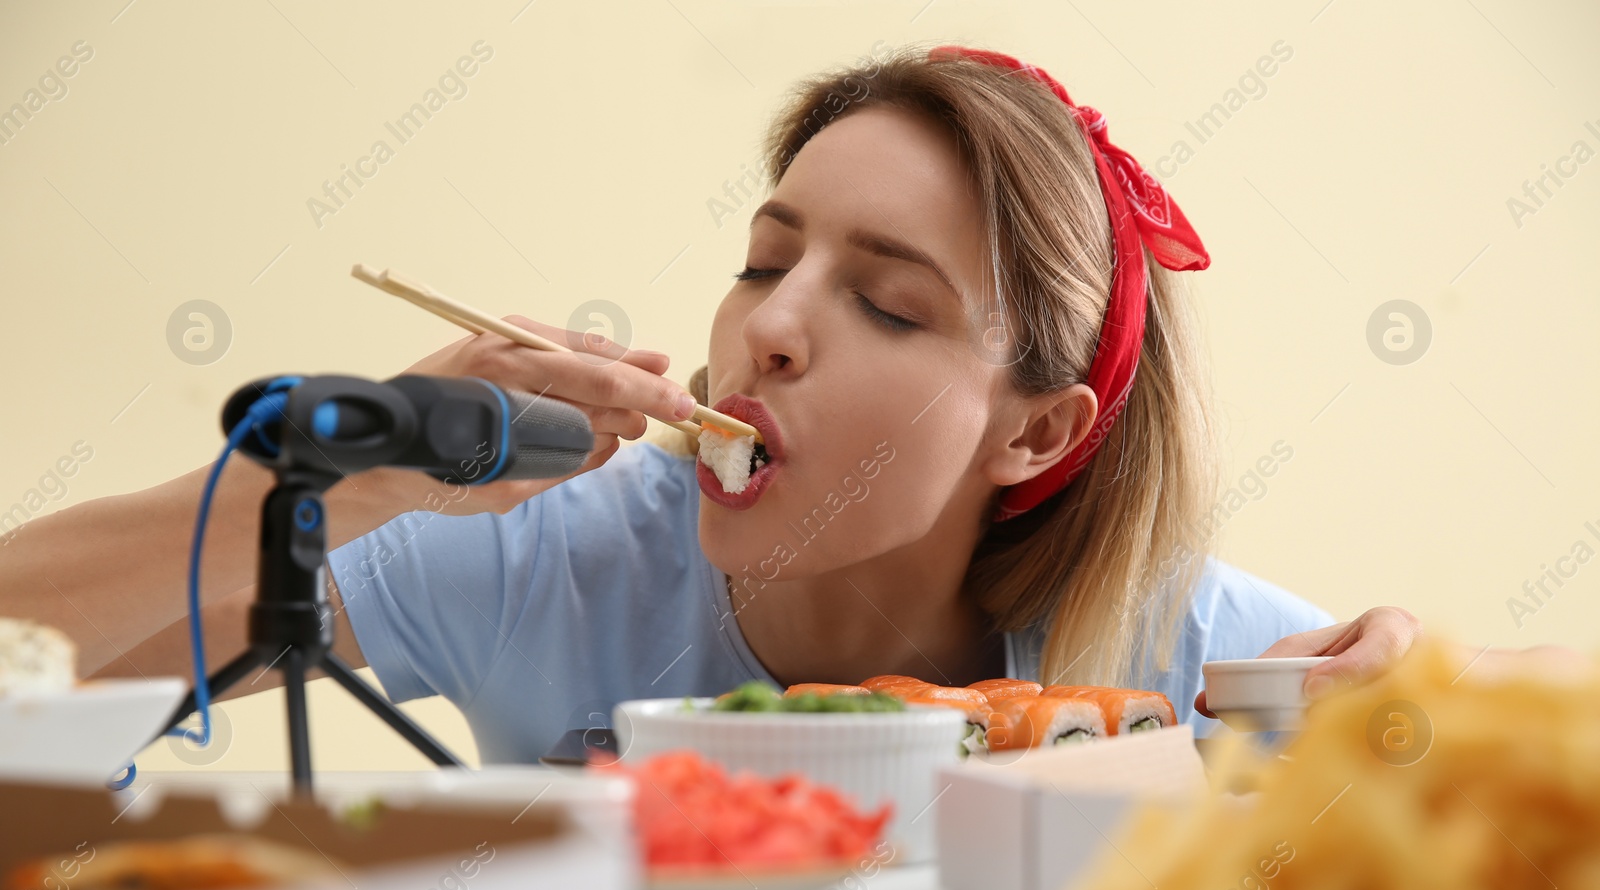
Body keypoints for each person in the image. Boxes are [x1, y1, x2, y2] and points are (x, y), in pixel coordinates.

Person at [0, 45, 1424, 764]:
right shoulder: (544, 545)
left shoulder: (1182, 650)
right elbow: (31, 697)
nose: (770, 329)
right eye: (763, 262)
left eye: (887, 302)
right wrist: (337, 471)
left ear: (1036, 429)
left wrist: (1423, 699)